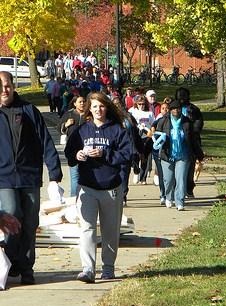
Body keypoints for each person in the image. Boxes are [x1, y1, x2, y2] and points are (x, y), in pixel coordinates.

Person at [0, 71, 63, 285]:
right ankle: (8, 262)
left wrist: (54, 174)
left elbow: (45, 141)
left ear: (14, 86)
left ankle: (26, 267)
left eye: (7, 85)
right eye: (0, 87)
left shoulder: (28, 110)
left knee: (30, 221)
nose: (4, 90)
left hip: (29, 176)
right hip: (4, 177)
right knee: (11, 214)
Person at [64, 92, 132, 283]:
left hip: (111, 187)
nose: (98, 110)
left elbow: (127, 155)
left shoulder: (117, 130)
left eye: (101, 106)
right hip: (87, 187)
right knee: (87, 228)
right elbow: (70, 153)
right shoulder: (82, 130)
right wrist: (77, 155)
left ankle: (108, 268)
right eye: (94, 107)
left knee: (110, 231)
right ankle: (88, 269)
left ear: (107, 107)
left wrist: (105, 153)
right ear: (89, 109)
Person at [155, 100, 204, 211]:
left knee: (181, 179)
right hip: (167, 155)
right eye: (173, 109)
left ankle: (180, 201)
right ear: (170, 110)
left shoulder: (187, 122)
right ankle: (168, 197)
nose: (176, 110)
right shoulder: (163, 121)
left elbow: (193, 140)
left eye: (178, 109)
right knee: (168, 180)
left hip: (183, 155)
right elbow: (156, 137)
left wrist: (199, 154)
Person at [175, 87, 204, 198]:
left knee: (190, 166)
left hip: (191, 141)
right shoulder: (173, 108)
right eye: (180, 95)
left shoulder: (193, 109)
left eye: (184, 95)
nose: (182, 98)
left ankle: (189, 188)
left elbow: (199, 122)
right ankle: (177, 189)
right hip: (176, 141)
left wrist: (193, 132)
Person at [58, 95, 89, 196]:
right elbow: (59, 128)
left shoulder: (89, 115)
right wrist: (66, 125)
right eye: (79, 102)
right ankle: (74, 201)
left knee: (86, 177)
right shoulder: (69, 114)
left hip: (87, 151)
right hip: (73, 150)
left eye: (84, 101)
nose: (82, 103)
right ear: (75, 103)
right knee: (75, 177)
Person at [129, 95, 155, 184]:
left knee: (145, 157)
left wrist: (151, 133)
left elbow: (153, 124)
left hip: (147, 137)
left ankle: (143, 178)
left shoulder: (149, 113)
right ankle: (136, 171)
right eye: (139, 104)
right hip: (136, 136)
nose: (141, 106)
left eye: (143, 104)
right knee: (135, 155)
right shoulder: (132, 111)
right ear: (136, 104)